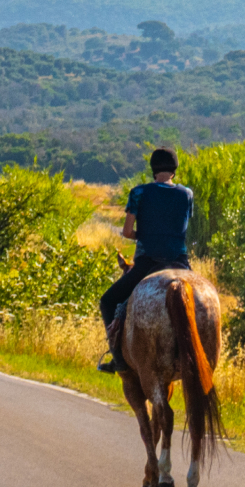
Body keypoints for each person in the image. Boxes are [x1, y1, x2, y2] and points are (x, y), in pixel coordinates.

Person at [98, 147, 194, 373]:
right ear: (174, 169)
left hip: (148, 263)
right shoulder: (187, 194)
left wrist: (144, 234)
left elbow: (127, 231)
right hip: (180, 262)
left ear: (153, 169)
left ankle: (118, 360)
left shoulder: (139, 192)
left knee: (108, 301)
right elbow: (182, 227)